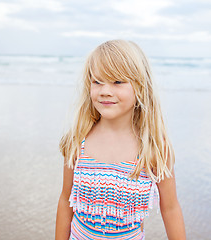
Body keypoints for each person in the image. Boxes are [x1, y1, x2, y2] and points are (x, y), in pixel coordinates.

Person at [55, 39, 186, 240]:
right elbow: (66, 200)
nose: (105, 90)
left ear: (140, 87)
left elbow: (170, 208)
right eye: (97, 81)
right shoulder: (78, 140)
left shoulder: (153, 147)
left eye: (117, 82)